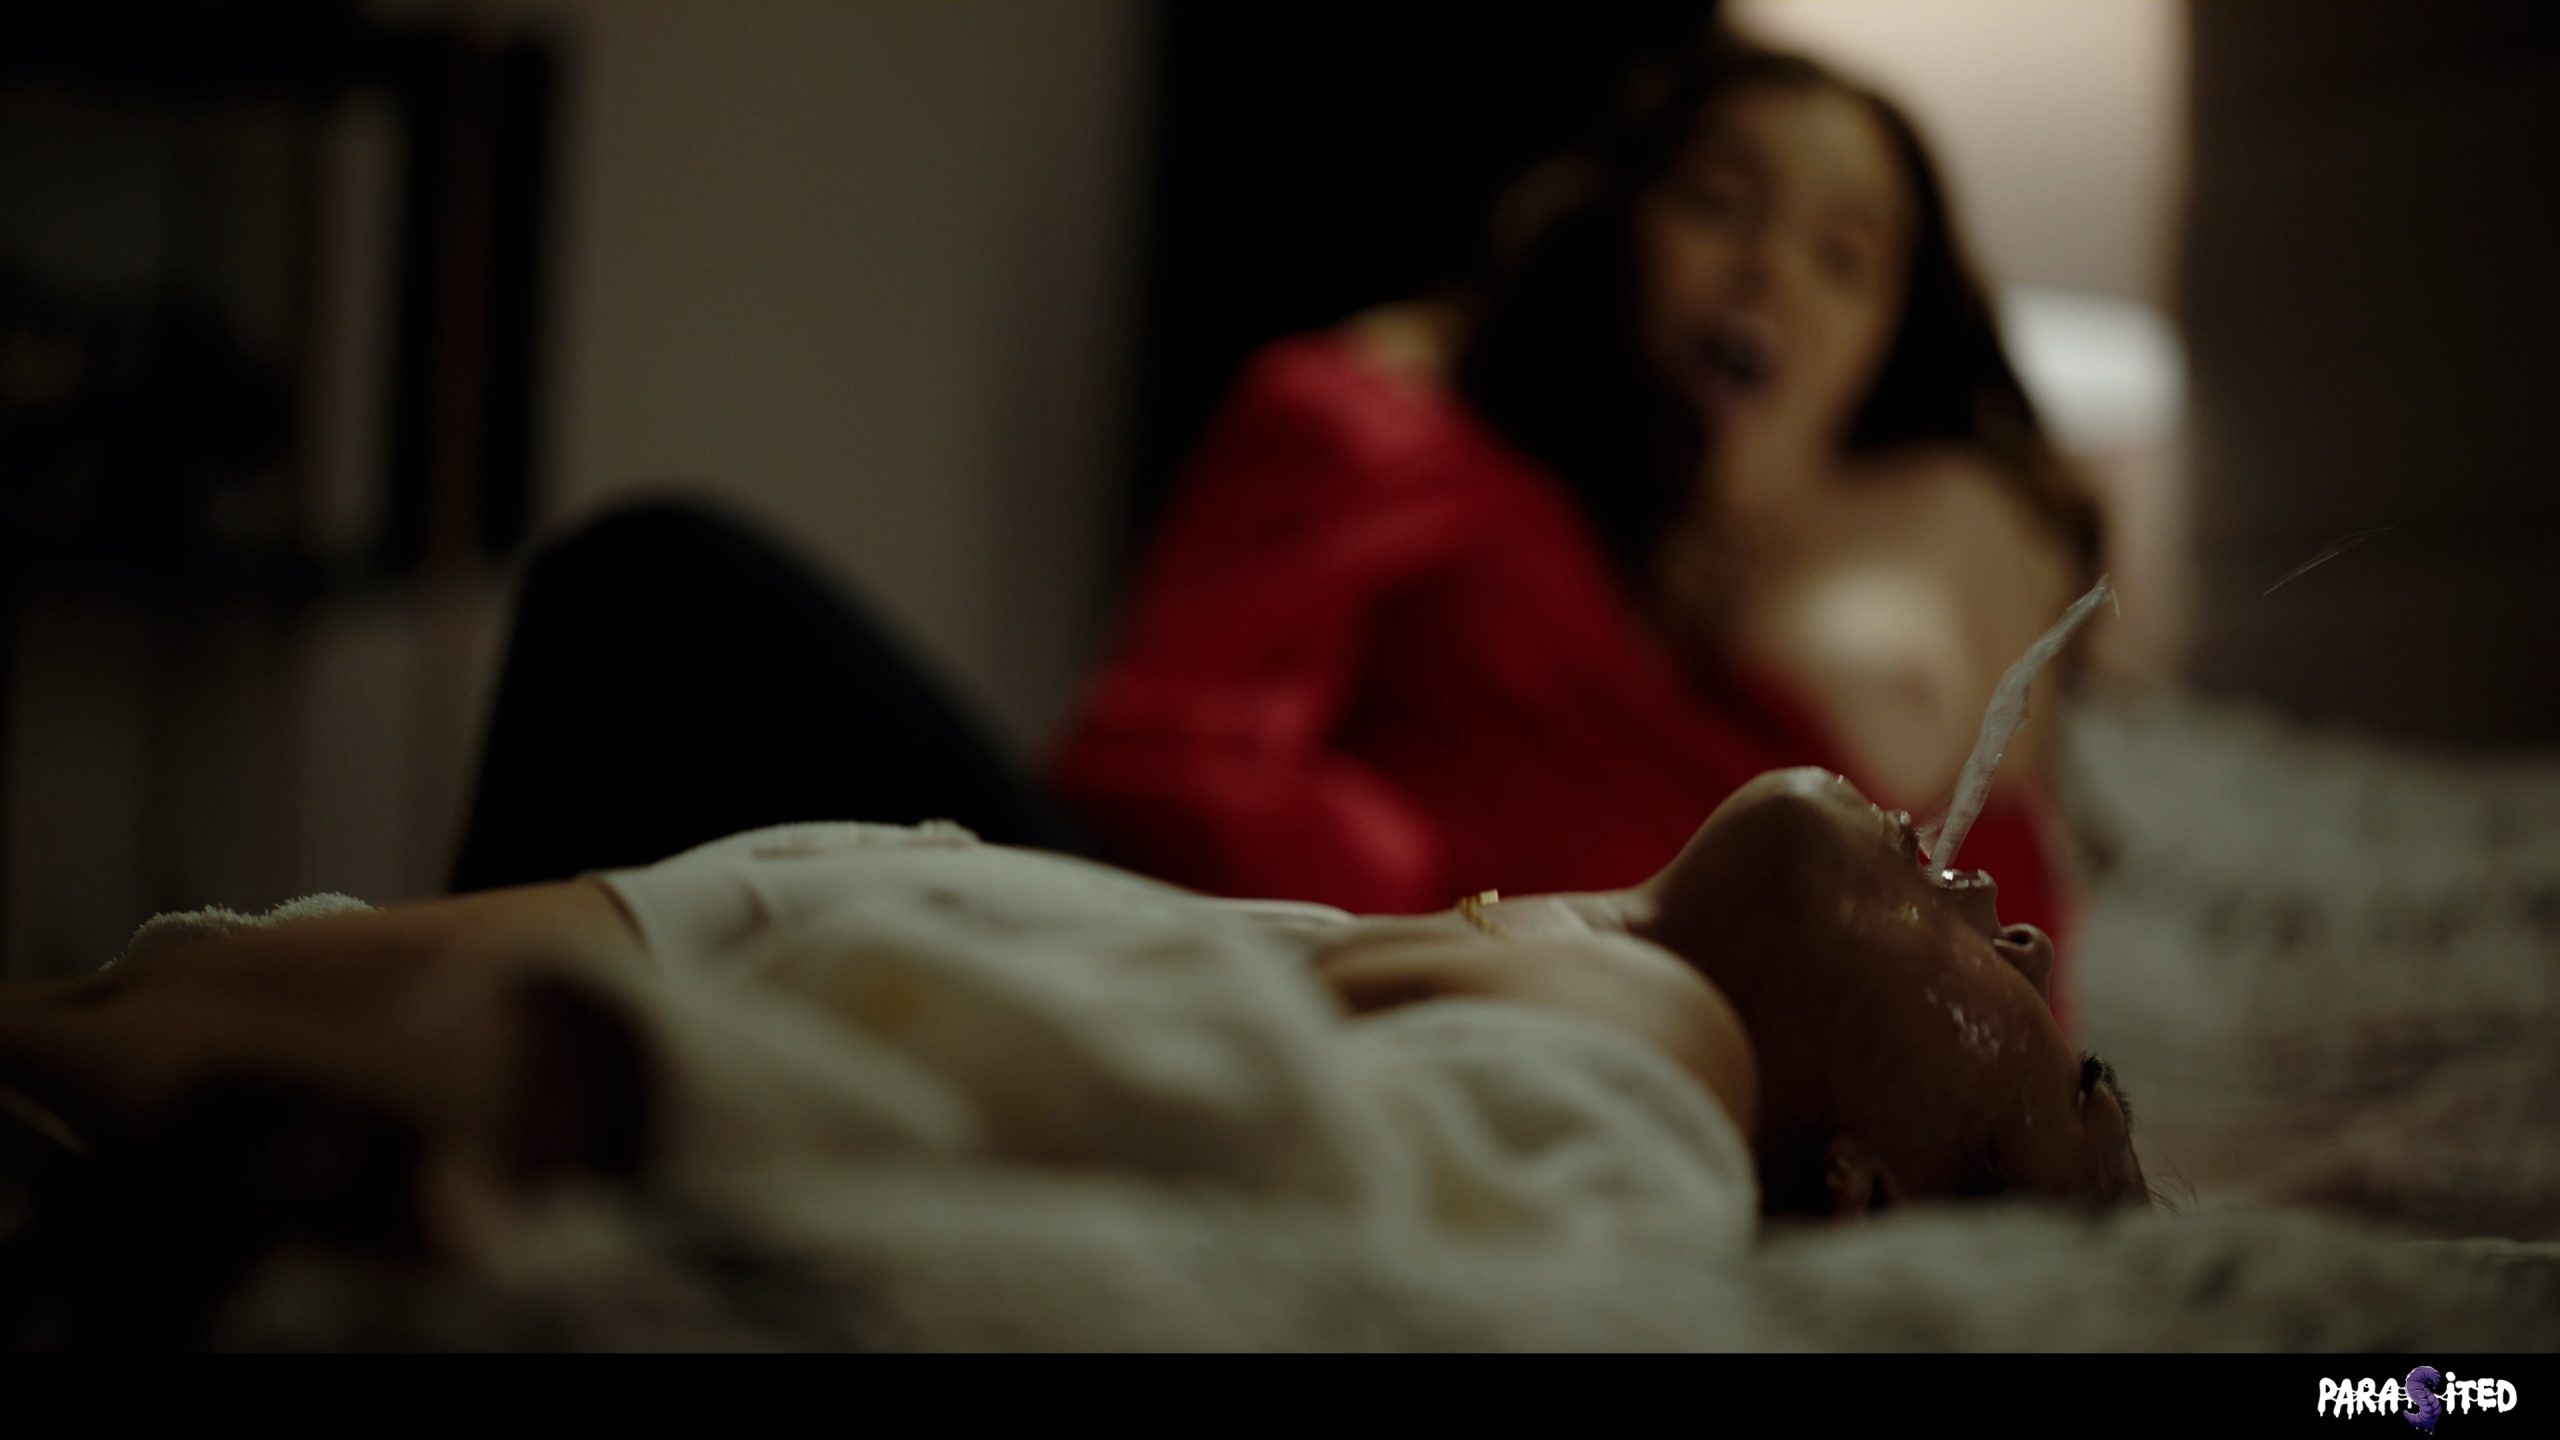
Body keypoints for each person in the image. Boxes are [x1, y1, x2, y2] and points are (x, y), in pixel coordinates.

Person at [0, 763, 2143, 1345]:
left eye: (2070, 1083)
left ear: (1868, 1200)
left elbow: (1241, 1186)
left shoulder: (1656, 1062)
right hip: (842, 920)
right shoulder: (1616, 970)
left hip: (772, 1000)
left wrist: (600, 1101)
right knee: (94, 1026)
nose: (2029, 932)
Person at [1048, 35, 2102, 1016]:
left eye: (1843, 256)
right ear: (1620, 218)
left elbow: (2012, 988)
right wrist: (1472, 925)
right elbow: (1167, 759)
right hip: (1408, 1006)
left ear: (1885, 341)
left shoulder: (1920, 541)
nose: (1770, 269)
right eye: (1718, 201)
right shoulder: (1387, 433)